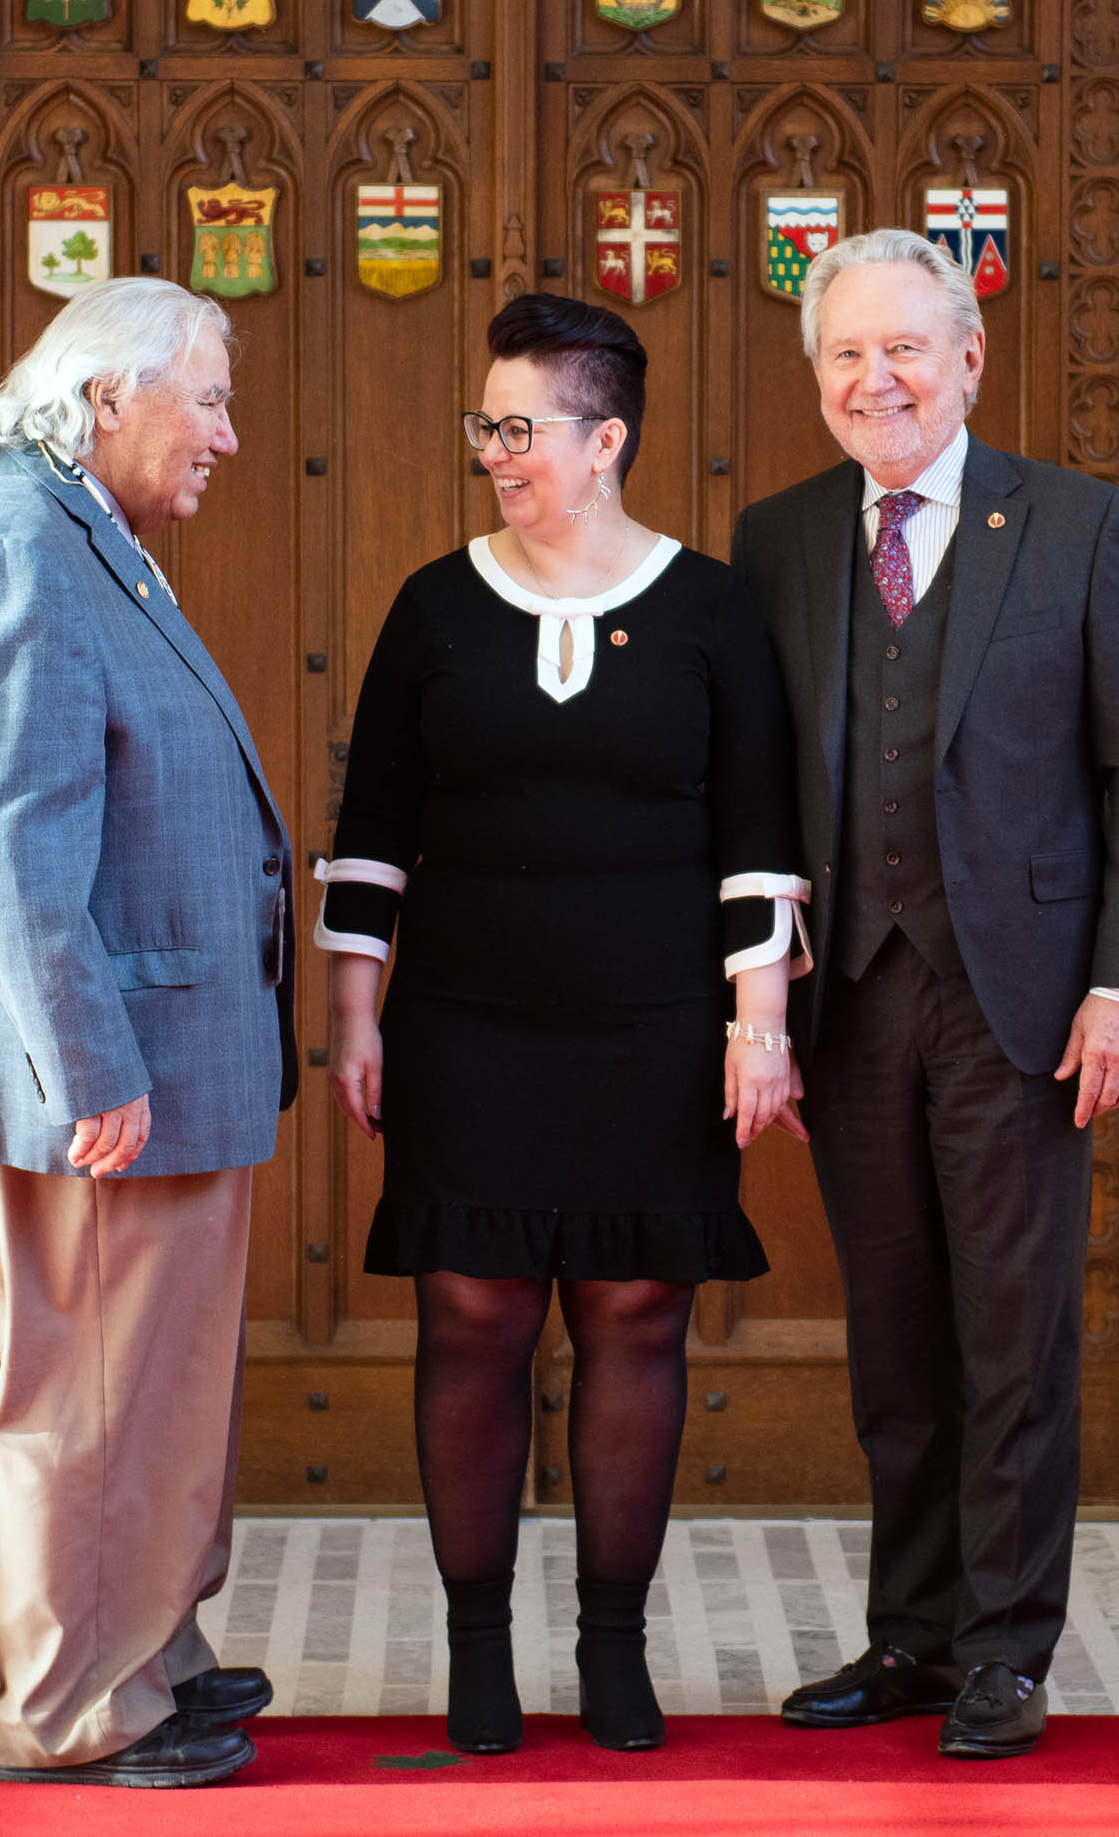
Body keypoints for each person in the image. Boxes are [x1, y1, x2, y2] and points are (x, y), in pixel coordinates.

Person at [316, 295, 807, 1756]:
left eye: (520, 428)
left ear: (607, 441)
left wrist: (758, 1025)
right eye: (487, 426)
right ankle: (477, 1656)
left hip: (656, 1028)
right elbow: (374, 831)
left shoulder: (714, 609)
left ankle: (611, 1653)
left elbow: (759, 839)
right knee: (472, 1315)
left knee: (634, 1315)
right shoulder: (433, 604)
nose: (496, 453)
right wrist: (357, 1014)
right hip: (468, 1021)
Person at [732, 229, 1119, 1759]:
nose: (881, 379)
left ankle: (1007, 1647)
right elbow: (755, 797)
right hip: (852, 999)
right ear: (819, 383)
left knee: (1016, 1337)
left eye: (907, 347)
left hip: (1025, 1003)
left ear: (971, 358)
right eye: (848, 355)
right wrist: (758, 1008)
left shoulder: (1073, 524)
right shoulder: (782, 541)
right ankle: (913, 1639)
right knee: (899, 1344)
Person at [0, 277, 295, 1790]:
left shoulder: (77, 528)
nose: (230, 433)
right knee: (90, 1390)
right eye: (209, 399)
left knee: (143, 1385)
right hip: (99, 1071)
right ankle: (73, 1711)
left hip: (150, 1049)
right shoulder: (16, 543)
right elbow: (9, 840)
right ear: (107, 397)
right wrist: (85, 1063)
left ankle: (146, 1655)